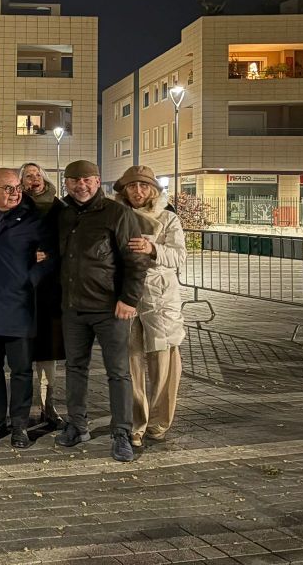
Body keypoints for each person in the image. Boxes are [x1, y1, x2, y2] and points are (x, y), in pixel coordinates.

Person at [55, 160, 149, 463]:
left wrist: (129, 299)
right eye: (74, 180)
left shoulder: (117, 213)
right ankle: (77, 424)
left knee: (118, 372)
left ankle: (121, 432)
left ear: (97, 182)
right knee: (75, 368)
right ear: (66, 183)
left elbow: (135, 261)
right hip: (73, 308)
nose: (80, 185)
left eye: (87, 180)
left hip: (110, 309)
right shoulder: (61, 213)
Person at [0, 169, 53, 448]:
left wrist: (31, 278)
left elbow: (51, 256)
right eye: (7, 188)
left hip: (19, 307)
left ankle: (20, 424)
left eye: (17, 187)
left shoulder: (32, 219)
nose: (15, 192)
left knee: (21, 370)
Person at [114, 165, 187, 447]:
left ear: (153, 190)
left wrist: (153, 249)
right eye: (132, 186)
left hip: (161, 299)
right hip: (126, 297)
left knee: (164, 364)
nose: (138, 191)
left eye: (144, 186)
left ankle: (159, 421)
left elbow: (179, 256)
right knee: (130, 362)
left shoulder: (169, 218)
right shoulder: (117, 216)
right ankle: (136, 423)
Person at [19, 162, 66, 430]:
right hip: (23, 288)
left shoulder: (58, 208)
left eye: (37, 174)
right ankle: (24, 407)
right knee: (22, 351)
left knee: (48, 352)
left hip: (50, 288)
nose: (33, 179)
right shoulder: (17, 207)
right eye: (28, 176)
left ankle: (49, 405)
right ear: (22, 182)